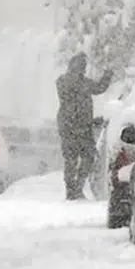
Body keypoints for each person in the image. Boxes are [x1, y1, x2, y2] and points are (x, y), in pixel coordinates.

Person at [56, 52, 113, 200]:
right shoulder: (67, 81)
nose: (84, 69)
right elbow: (98, 88)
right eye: (83, 66)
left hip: (77, 126)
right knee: (75, 158)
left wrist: (107, 74)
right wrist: (107, 74)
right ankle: (74, 189)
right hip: (73, 127)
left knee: (80, 158)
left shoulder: (78, 82)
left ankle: (75, 188)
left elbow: (99, 88)